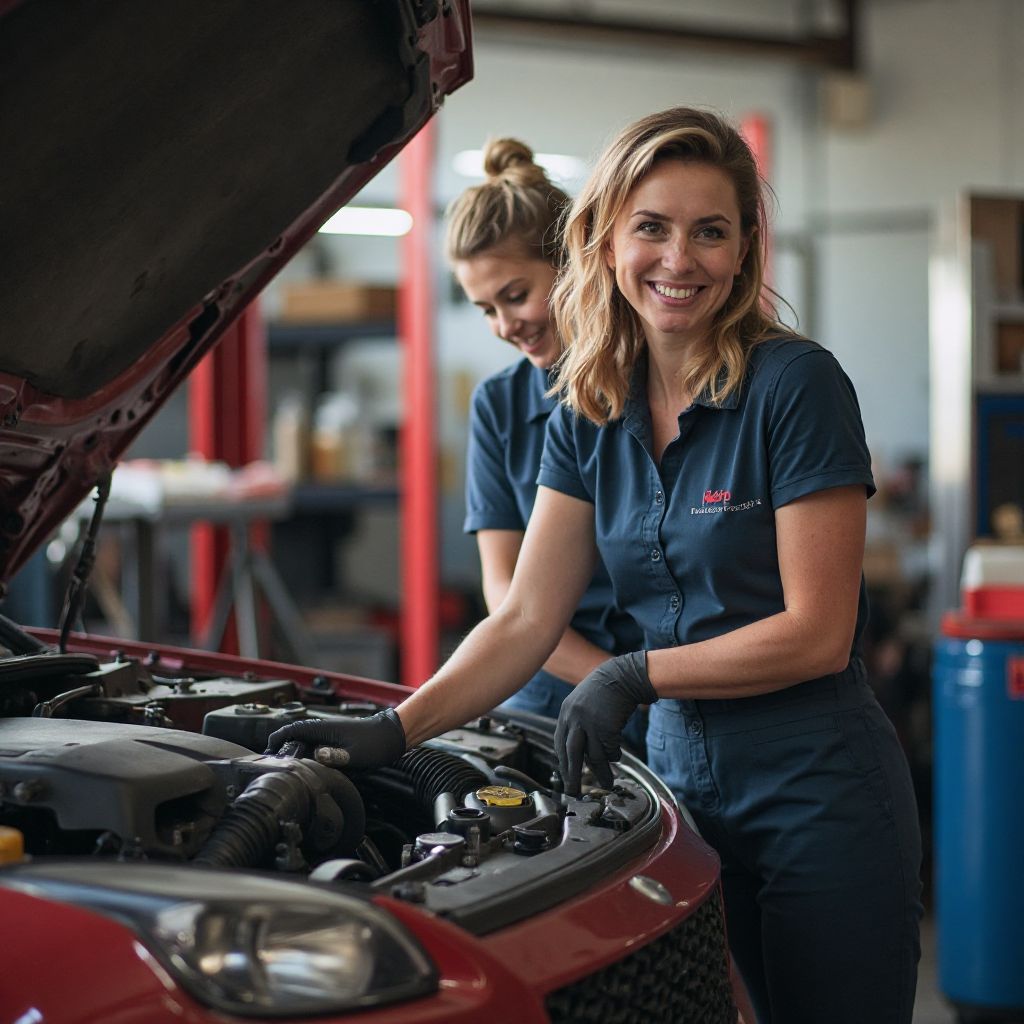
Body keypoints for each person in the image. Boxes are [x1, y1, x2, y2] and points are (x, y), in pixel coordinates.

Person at [268, 106, 923, 1024]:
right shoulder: (588, 406)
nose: (678, 258)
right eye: (651, 228)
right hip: (676, 784)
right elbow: (526, 617)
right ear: (605, 241)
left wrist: (631, 671)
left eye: (710, 231)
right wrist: (396, 729)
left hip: (815, 778)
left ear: (743, 251)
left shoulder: (795, 386)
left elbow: (819, 635)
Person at [444, 137, 645, 749]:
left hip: (675, 690)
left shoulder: (657, 383)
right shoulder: (499, 404)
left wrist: (651, 689)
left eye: (515, 295)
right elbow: (505, 591)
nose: (506, 326)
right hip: (549, 692)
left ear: (574, 262)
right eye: (485, 309)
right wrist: (610, 683)